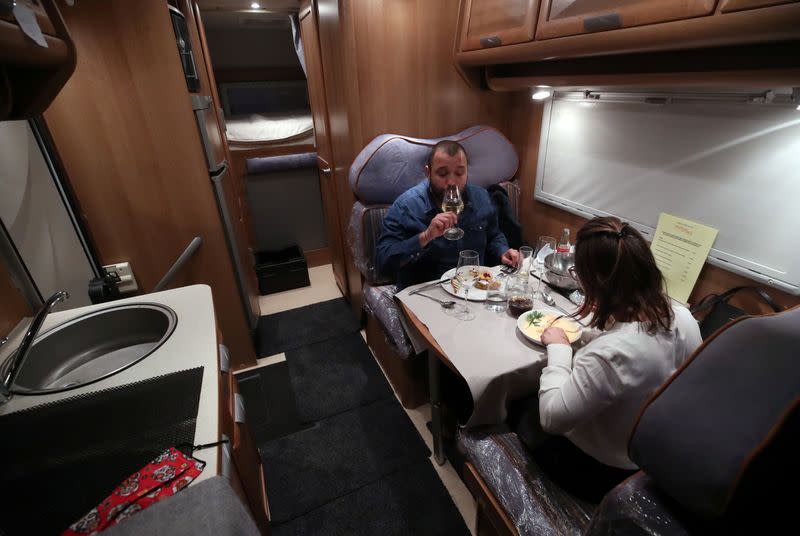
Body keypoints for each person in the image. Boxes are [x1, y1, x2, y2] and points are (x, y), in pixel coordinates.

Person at [532, 216, 702, 501]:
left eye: (579, 274)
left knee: (523, 409)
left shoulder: (610, 355)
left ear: (595, 283)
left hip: (602, 471)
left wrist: (560, 349)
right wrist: (589, 337)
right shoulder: (684, 318)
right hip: (650, 457)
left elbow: (551, 418)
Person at [376, 140, 519, 288]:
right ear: (428, 172)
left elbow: (494, 235)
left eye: (459, 173)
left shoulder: (481, 197)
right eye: (442, 173)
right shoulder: (406, 206)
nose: (452, 182)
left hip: (473, 288)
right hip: (425, 292)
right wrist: (425, 237)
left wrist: (503, 251)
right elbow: (383, 261)